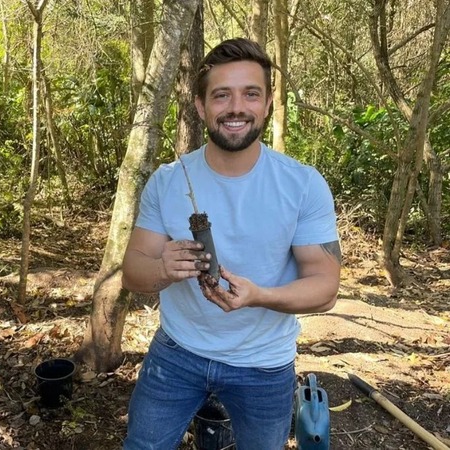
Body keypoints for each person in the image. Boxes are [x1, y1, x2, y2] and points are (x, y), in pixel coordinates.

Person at [121, 38, 341, 450]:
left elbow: (325, 287)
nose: (236, 107)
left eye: (250, 94)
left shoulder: (302, 184)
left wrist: (259, 295)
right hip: (177, 350)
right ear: (202, 107)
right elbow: (134, 272)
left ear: (268, 103)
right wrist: (162, 269)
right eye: (222, 95)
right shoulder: (170, 181)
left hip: (264, 361)